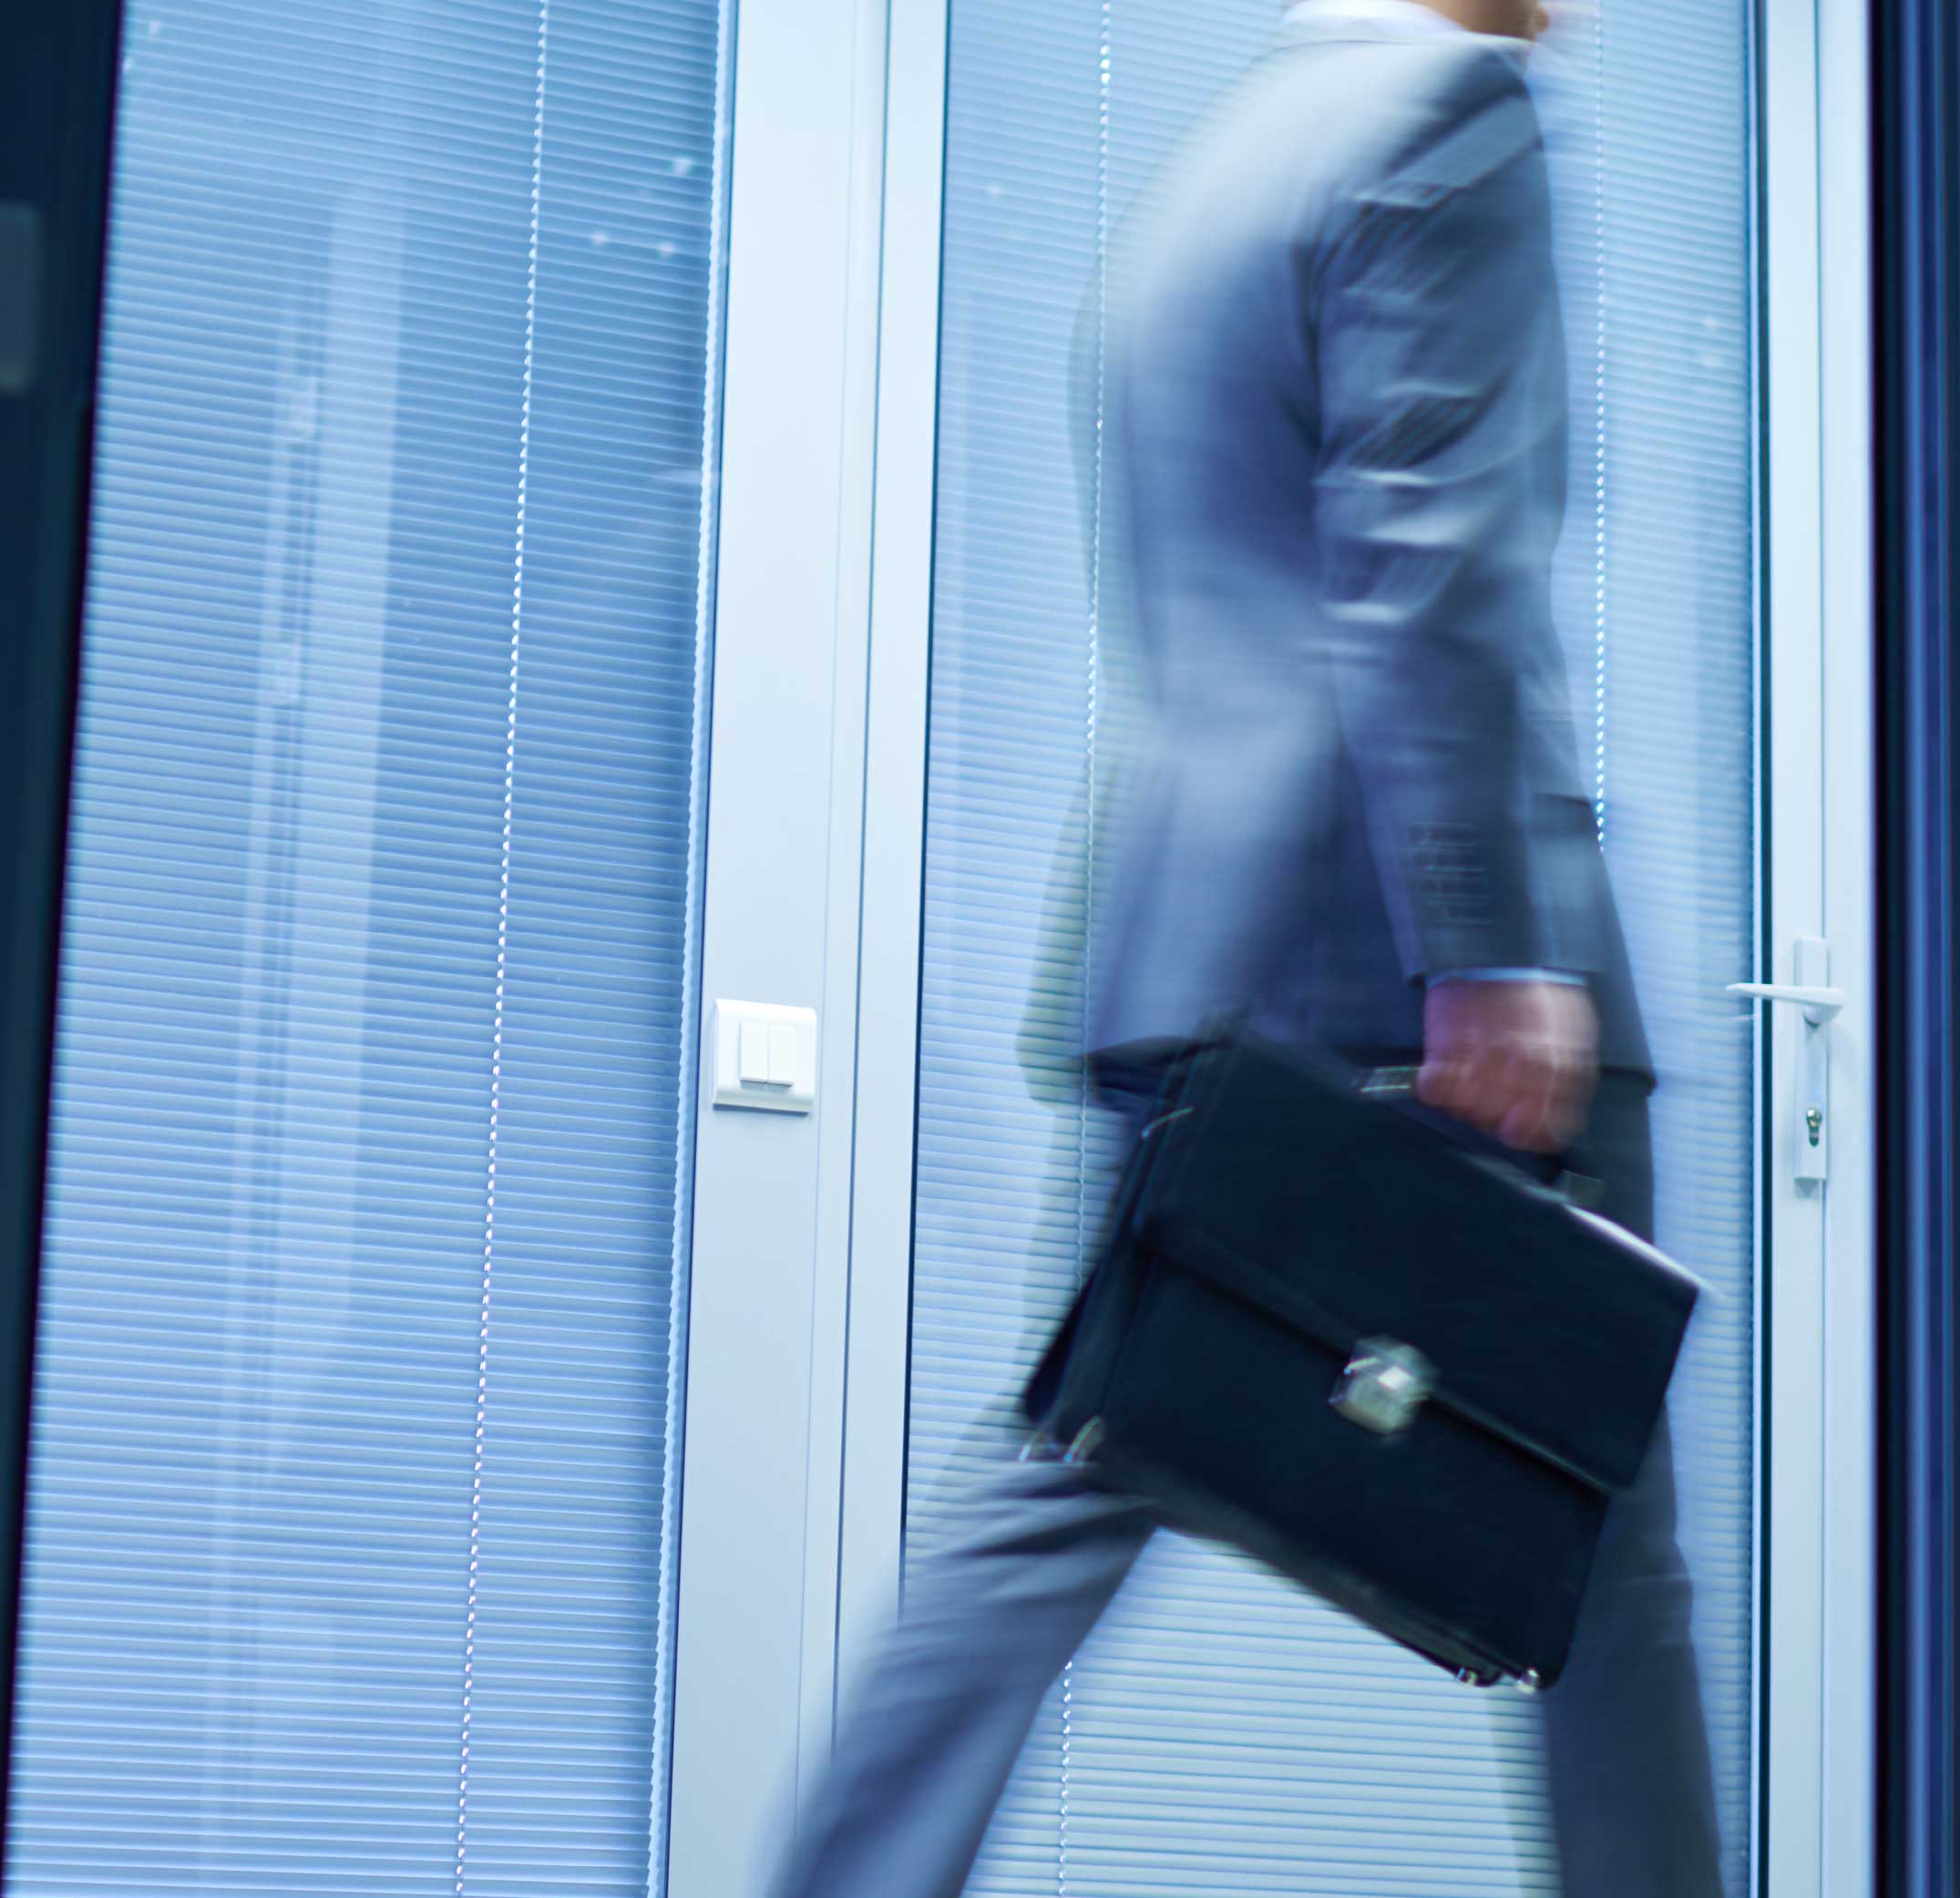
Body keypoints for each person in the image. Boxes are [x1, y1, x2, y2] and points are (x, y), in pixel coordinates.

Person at [764, 1, 1723, 1894]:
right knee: (1602, 1532)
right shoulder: (1456, 112)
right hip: (1402, 975)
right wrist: (1488, 944)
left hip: (1192, 942)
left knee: (1071, 1471)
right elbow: (1427, 552)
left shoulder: (1221, 157)